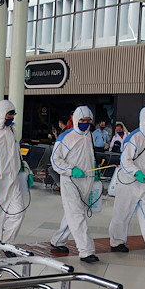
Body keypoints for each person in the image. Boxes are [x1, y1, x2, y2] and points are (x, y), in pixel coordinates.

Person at [109, 106, 145, 257]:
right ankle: (117, 241)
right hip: (129, 182)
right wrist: (136, 172)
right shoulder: (134, 138)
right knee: (122, 213)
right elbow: (125, 160)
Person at [0, 100, 33, 249]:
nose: (11, 118)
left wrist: (25, 169)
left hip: (13, 182)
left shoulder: (12, 131)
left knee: (18, 213)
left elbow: (17, 154)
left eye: (12, 115)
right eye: (8, 115)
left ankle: (6, 245)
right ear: (1, 114)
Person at [50, 106, 98, 263]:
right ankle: (86, 251)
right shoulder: (65, 137)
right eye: (82, 120)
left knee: (73, 213)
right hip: (70, 181)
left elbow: (90, 156)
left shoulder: (89, 135)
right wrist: (70, 170)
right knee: (77, 214)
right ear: (76, 120)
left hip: (87, 180)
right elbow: (55, 160)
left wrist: (95, 171)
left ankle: (58, 240)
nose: (85, 124)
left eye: (88, 121)